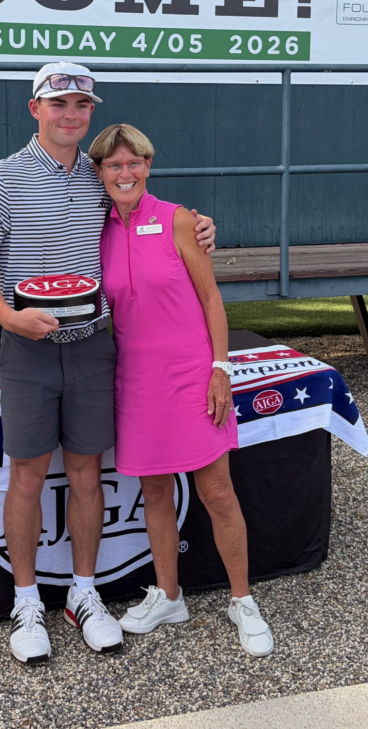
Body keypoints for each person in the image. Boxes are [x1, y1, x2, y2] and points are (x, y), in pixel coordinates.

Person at [0, 62, 217, 664]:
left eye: (81, 105)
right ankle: (25, 600)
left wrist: (200, 226)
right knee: (25, 475)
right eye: (59, 103)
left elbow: (148, 210)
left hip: (96, 343)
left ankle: (83, 592)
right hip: (29, 345)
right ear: (35, 109)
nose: (71, 114)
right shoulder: (1, 178)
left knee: (84, 474)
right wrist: (7, 315)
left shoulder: (103, 179)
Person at [89, 122, 274, 658]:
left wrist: (221, 368)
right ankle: (169, 594)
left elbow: (212, 299)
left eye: (134, 163)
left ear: (148, 166)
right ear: (99, 172)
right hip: (135, 380)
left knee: (217, 492)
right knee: (154, 493)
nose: (125, 173)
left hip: (192, 374)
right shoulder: (95, 227)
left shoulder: (178, 220)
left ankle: (242, 600)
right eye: (113, 165)